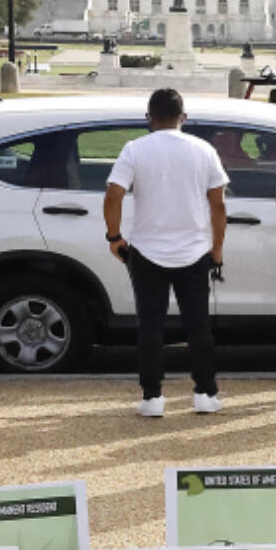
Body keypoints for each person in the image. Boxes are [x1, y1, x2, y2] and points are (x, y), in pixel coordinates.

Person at [103, 87, 227, 416]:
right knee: (198, 326)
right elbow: (218, 206)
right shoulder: (204, 150)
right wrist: (217, 249)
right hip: (195, 250)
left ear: (149, 118)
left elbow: (113, 195)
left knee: (151, 327)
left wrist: (114, 237)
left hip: (146, 251)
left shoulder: (134, 149)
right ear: (183, 117)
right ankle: (205, 393)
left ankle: (152, 397)